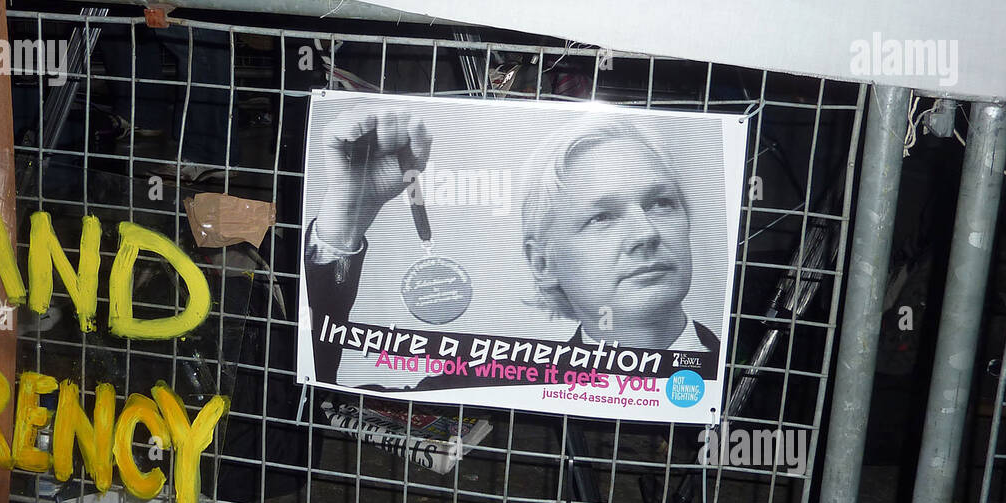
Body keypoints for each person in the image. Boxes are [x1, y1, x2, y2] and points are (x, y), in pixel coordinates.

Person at [304, 103, 719, 388]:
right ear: (543, 263)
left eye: (662, 203)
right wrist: (348, 212)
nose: (646, 233)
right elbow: (313, 397)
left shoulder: (756, 381)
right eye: (602, 217)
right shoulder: (500, 383)